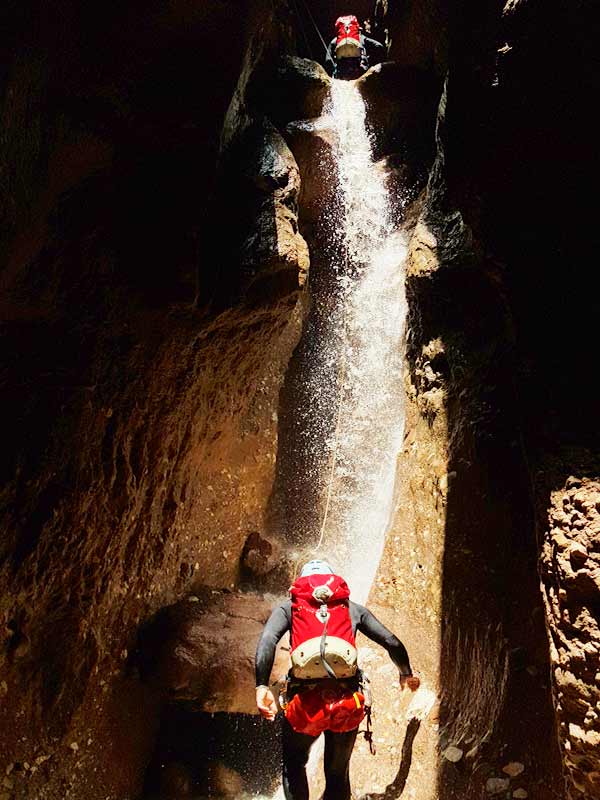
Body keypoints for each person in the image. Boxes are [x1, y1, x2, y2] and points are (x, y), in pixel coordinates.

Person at [255, 559, 420, 800]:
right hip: (346, 702)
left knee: (294, 765)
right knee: (337, 773)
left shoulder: (289, 608)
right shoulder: (351, 608)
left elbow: (268, 639)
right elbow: (391, 641)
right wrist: (405, 673)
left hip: (304, 704)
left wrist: (261, 686)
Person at [325, 15, 387, 80]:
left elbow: (328, 61)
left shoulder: (335, 41)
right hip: (360, 72)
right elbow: (379, 46)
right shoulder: (361, 38)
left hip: (342, 74)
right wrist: (371, 61)